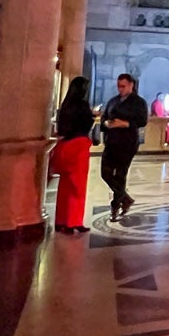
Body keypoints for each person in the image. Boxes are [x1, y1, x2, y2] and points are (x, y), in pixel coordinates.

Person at [49, 78, 94, 234]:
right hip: (78, 146)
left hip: (64, 146)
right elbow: (87, 123)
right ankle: (73, 222)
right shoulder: (82, 106)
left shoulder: (65, 106)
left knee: (65, 185)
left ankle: (60, 221)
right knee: (77, 187)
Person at [101, 74, 149, 220]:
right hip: (111, 142)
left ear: (131, 85)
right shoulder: (113, 101)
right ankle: (125, 198)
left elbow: (142, 120)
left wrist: (125, 123)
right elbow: (104, 118)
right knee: (106, 173)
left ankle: (115, 206)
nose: (120, 89)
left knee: (120, 175)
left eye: (123, 86)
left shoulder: (139, 102)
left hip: (127, 143)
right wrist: (107, 124)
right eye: (119, 86)